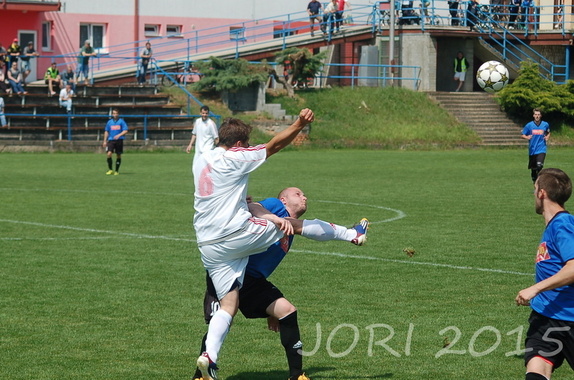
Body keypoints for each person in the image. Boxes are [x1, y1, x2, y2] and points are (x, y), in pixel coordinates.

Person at [192, 109, 368, 380]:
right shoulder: (236, 156)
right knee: (290, 226)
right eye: (247, 144)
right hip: (235, 232)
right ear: (239, 145)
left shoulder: (202, 156)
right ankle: (351, 234)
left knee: (229, 305)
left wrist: (243, 202)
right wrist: (299, 124)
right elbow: (273, 145)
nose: (249, 148)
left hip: (207, 242)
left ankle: (208, 360)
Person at [515, 168, 574, 380]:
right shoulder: (553, 227)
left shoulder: (563, 225)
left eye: (534, 189)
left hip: (570, 317)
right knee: (537, 365)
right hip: (546, 316)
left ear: (542, 193)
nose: (534, 195)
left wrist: (536, 288)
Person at [521, 108, 550, 183]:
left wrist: (547, 137)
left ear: (541, 115)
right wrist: (527, 137)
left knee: (539, 166)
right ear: (533, 115)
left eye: (538, 114)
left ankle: (539, 182)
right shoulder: (529, 125)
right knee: (533, 170)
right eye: (536, 114)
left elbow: (548, 132)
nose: (537, 116)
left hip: (541, 149)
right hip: (532, 150)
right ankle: (535, 182)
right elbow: (523, 135)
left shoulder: (545, 124)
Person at [102, 108, 128, 175]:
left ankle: (116, 170)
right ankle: (110, 169)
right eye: (114, 113)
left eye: (116, 113)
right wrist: (105, 140)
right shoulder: (109, 122)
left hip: (119, 140)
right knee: (109, 154)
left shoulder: (121, 121)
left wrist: (119, 135)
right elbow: (106, 131)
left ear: (118, 114)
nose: (115, 115)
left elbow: (125, 130)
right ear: (112, 114)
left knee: (118, 155)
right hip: (111, 140)